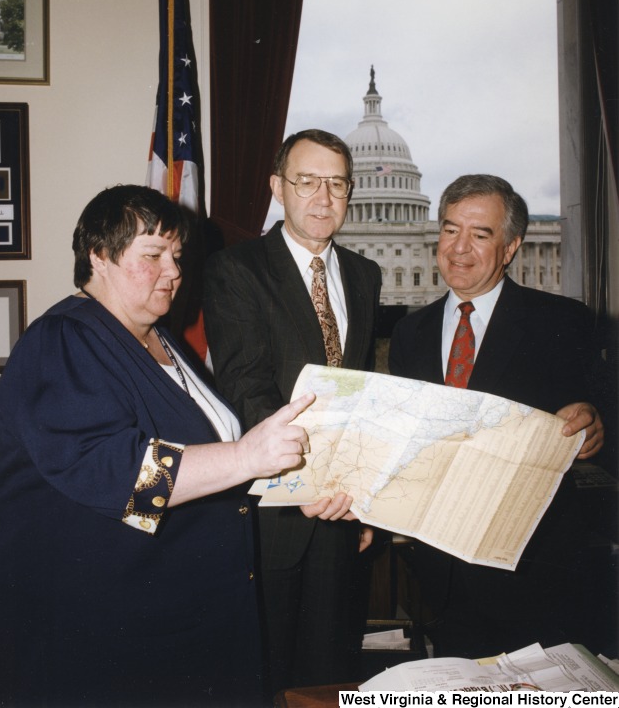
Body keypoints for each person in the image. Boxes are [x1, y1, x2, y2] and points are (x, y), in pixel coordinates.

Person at [0, 184, 315, 708]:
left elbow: (216, 460)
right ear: (99, 256)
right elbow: (123, 480)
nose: (174, 272)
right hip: (104, 636)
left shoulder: (162, 339)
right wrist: (249, 456)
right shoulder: (63, 339)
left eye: (177, 256)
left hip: (183, 616)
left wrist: (297, 486)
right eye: (153, 255)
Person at [389, 174, 605, 659]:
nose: (459, 248)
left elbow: (598, 410)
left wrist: (594, 421)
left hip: (532, 570)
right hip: (441, 573)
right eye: (449, 230)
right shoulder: (410, 333)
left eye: (480, 234)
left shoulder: (562, 321)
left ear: (510, 248)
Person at [203, 129, 382, 695]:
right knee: (270, 676)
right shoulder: (237, 270)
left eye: (336, 183)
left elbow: (363, 395)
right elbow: (246, 388)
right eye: (307, 182)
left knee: (330, 678)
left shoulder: (364, 274)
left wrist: (366, 495)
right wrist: (309, 481)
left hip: (343, 513)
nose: (323, 197)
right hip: (278, 511)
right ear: (278, 187)